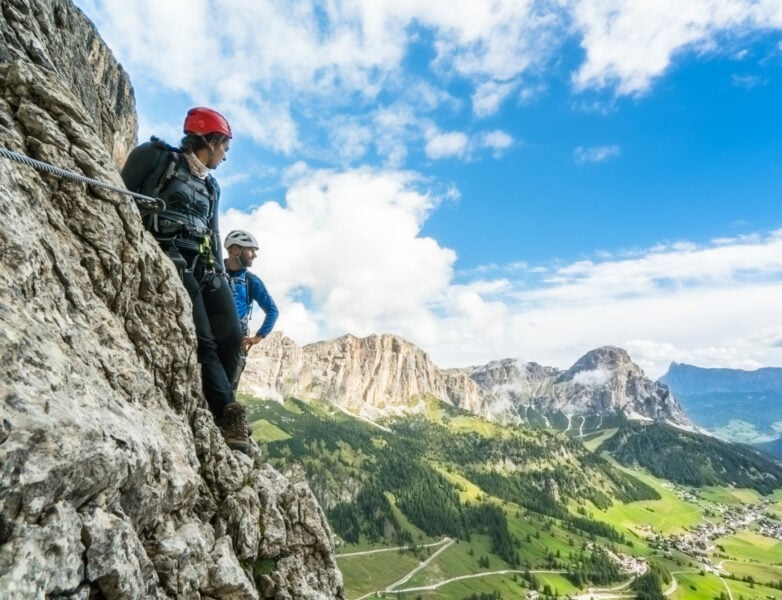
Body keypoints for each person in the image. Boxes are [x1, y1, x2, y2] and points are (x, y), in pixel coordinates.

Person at [121, 107, 252, 454]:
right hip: (170, 256)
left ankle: (222, 401)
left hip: (205, 265)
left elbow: (214, 231)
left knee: (233, 338)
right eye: (224, 147)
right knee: (204, 338)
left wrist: (220, 274)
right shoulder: (155, 157)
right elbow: (120, 197)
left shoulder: (212, 186)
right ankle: (228, 414)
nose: (225, 156)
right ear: (210, 141)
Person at [223, 230, 279, 390]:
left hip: (235, 341)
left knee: (228, 387)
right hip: (210, 337)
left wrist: (258, 337)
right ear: (235, 250)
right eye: (251, 250)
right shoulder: (213, 270)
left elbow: (273, 310)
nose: (254, 255)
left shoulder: (251, 281)